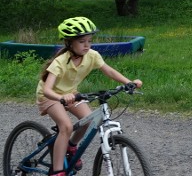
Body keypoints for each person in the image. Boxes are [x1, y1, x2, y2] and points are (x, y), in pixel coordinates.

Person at [36, 17, 142, 176]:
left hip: (71, 94)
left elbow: (109, 71)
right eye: (82, 41)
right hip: (51, 96)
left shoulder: (92, 55)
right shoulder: (60, 61)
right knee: (66, 126)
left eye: (89, 41)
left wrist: (129, 83)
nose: (87, 45)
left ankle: (71, 146)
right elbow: (47, 90)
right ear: (69, 43)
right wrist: (61, 98)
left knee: (91, 119)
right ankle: (57, 171)